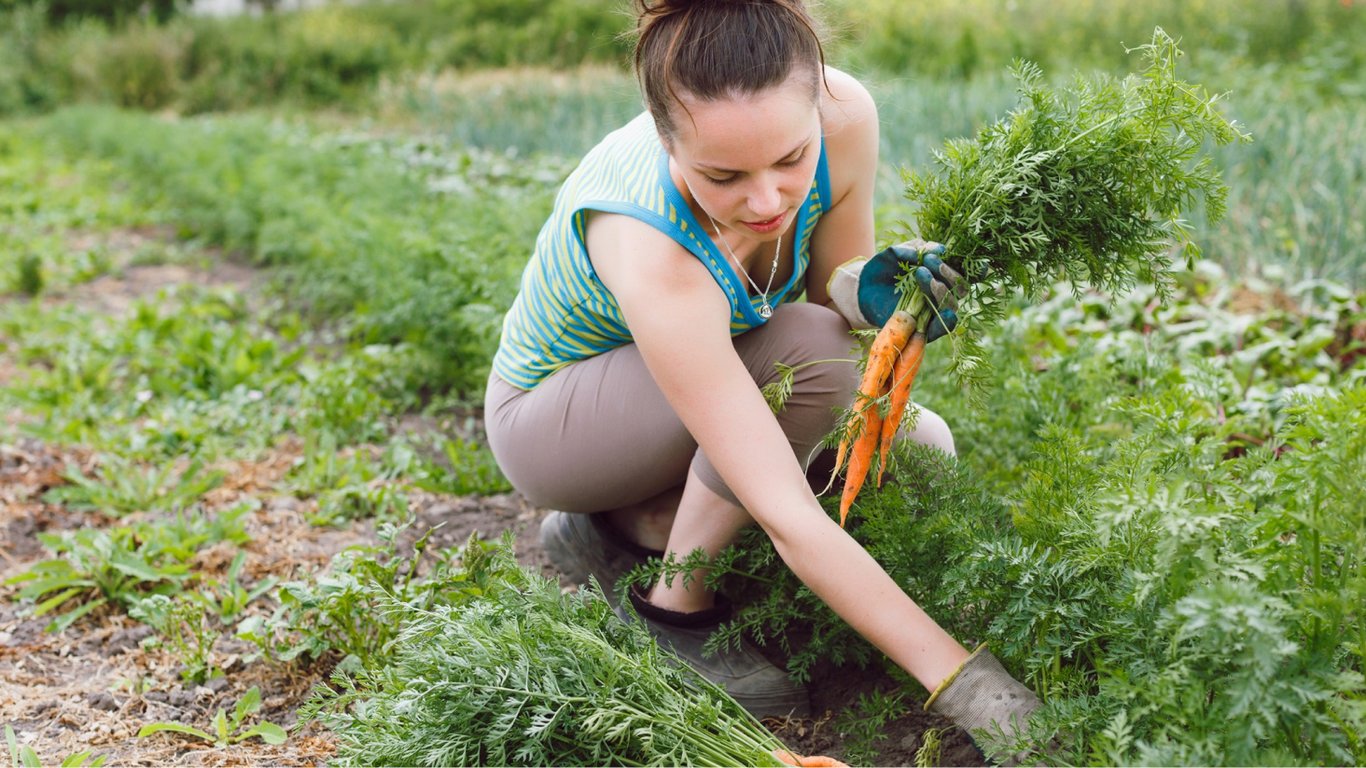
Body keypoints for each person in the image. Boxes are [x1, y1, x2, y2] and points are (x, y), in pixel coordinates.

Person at [484, 0, 1041, 755]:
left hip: (699, 385)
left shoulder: (846, 119)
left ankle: (627, 530)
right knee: (811, 362)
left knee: (921, 449)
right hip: (558, 422)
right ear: (663, 139)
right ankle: (675, 611)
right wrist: (973, 688)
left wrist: (866, 293)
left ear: (819, 104)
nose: (768, 200)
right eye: (724, 175)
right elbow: (791, 503)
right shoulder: (649, 241)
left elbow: (828, 307)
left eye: (789, 161)